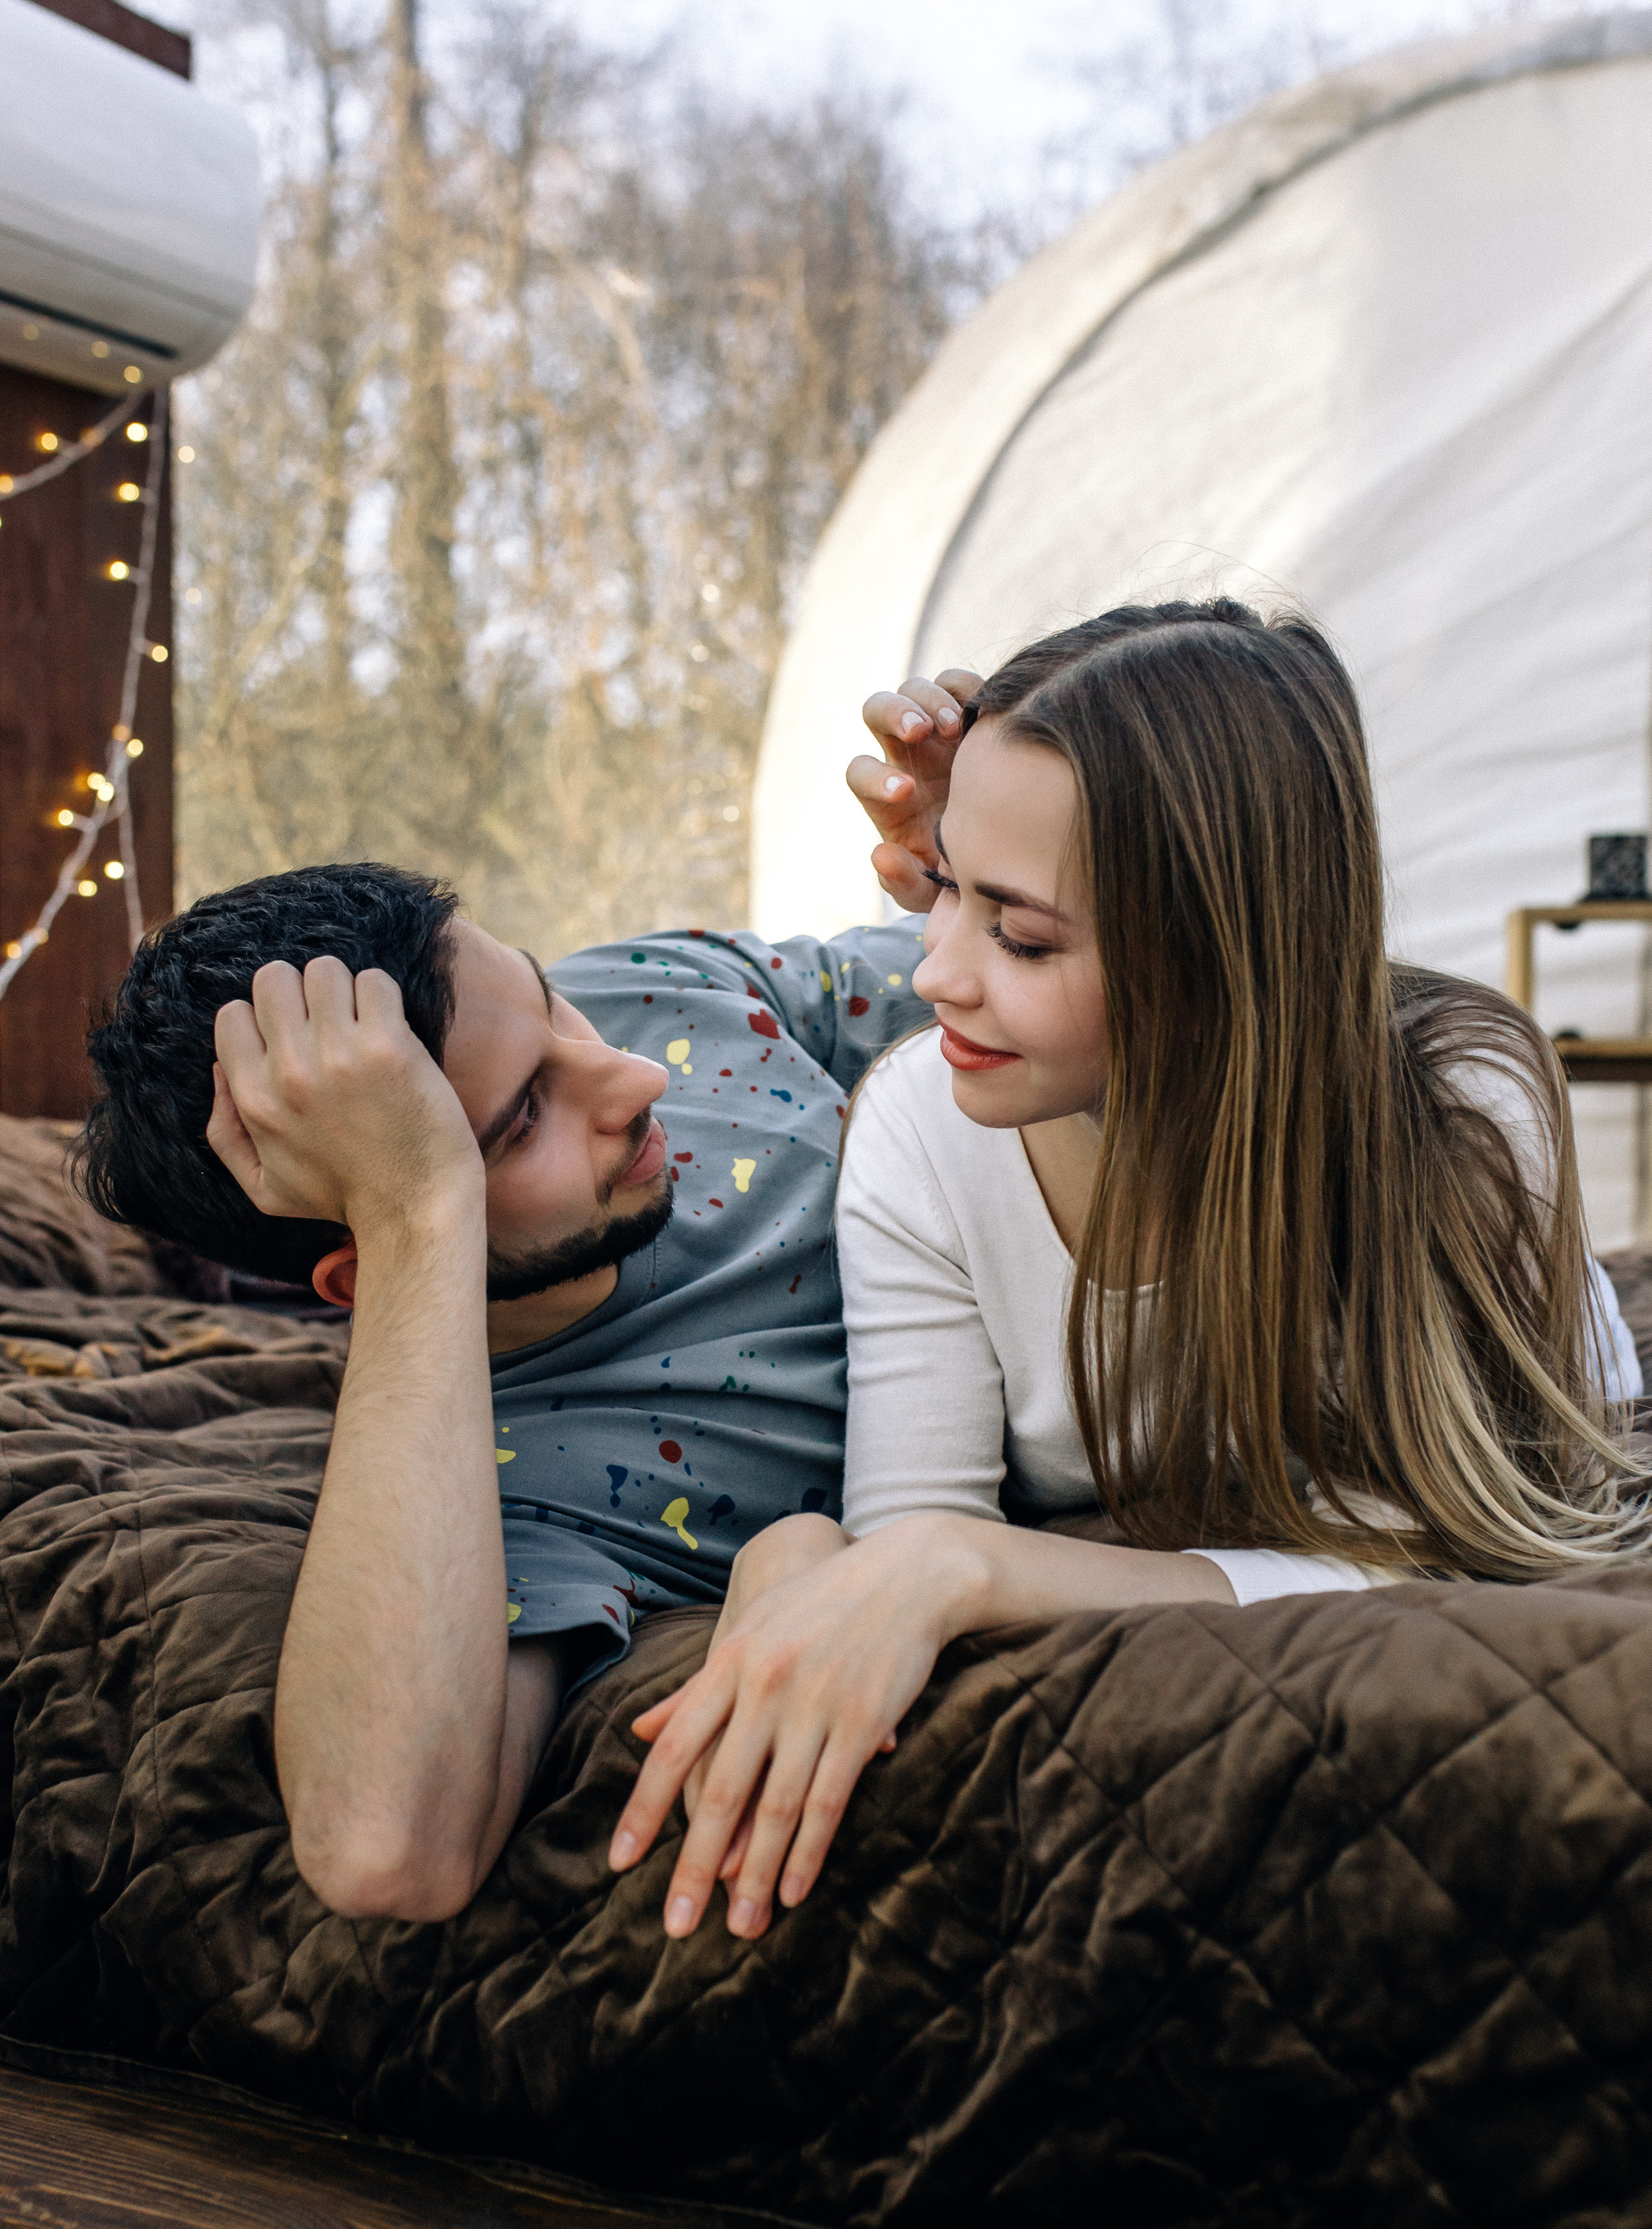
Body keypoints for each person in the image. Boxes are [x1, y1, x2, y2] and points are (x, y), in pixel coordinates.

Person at [606, 600, 1650, 1950]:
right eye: (943, 896)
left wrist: (969, 1575)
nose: (936, 975)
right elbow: (903, 1539)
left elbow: (1455, 1545)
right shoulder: (921, 1124)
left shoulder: (1464, 1106)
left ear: (1218, 959)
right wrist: (824, 1563)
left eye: (1021, 938)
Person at [79, 863, 928, 1919]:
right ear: (365, 1270)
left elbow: (1023, 971)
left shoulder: (650, 986)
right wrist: (417, 1214)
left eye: (548, 999)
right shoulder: (527, 1495)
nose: (629, 1078)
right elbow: (384, 1852)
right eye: (522, 1122)